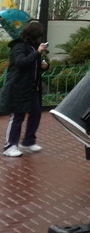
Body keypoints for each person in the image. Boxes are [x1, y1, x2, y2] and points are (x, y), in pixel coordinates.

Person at [0, 20, 49, 157]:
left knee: (36, 113)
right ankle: (10, 146)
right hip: (19, 87)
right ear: (34, 34)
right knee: (17, 116)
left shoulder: (34, 47)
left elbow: (33, 66)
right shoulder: (19, 46)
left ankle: (28, 141)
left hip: (33, 88)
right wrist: (37, 53)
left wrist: (44, 66)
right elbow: (21, 63)